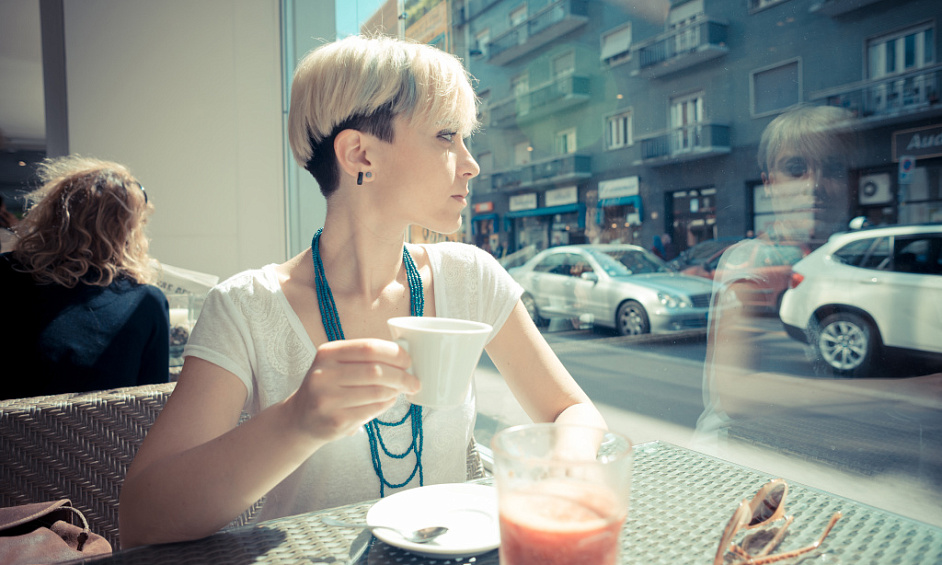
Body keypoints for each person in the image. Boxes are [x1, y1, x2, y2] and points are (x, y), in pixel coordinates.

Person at [120, 35, 605, 547]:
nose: (471, 163)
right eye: (446, 136)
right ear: (359, 153)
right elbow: (142, 520)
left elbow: (571, 411)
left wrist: (562, 471)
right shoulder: (247, 307)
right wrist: (296, 421)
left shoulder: (470, 276)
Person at [694, 105, 856, 449]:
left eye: (833, 170)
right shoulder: (753, 262)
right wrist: (910, 393)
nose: (814, 185)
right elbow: (736, 394)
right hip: (740, 460)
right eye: (796, 169)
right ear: (769, 185)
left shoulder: (846, 259)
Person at [0, 156, 169, 400]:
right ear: (128, 231)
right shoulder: (145, 301)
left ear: (53, 214)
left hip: (12, 437)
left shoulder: (6, 272)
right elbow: (152, 401)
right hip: (104, 437)